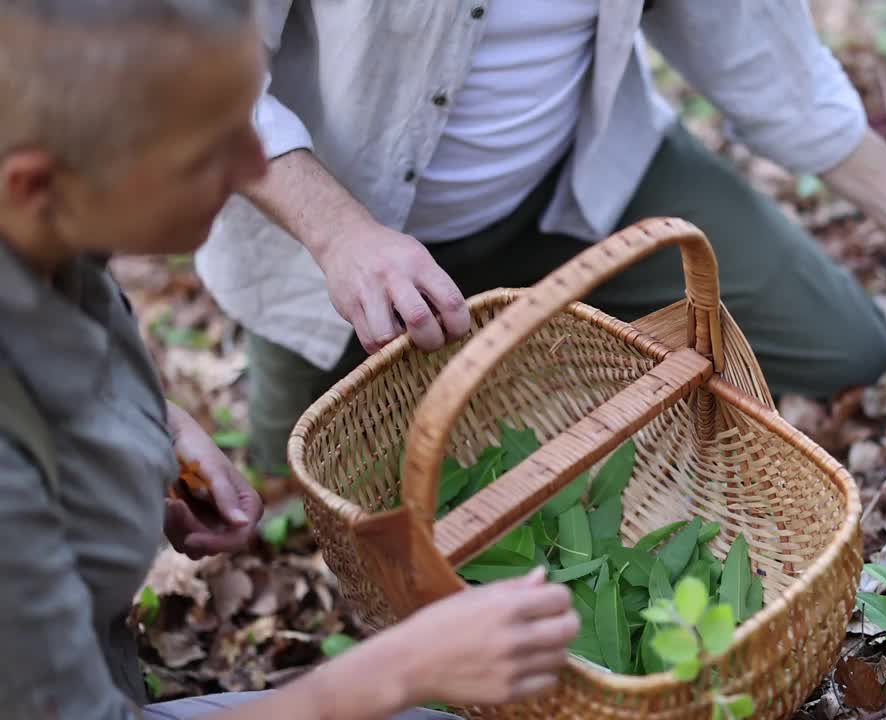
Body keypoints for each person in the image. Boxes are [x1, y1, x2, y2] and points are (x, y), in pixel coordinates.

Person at [0, 2, 579, 719]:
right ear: (34, 186)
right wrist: (399, 671)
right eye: (207, 150)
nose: (256, 166)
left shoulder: (49, 231)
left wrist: (156, 429)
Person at [194, 1, 886, 475]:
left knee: (848, 345)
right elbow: (197, 70)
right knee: (297, 474)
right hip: (336, 242)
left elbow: (759, 55)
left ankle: (549, 360)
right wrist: (342, 237)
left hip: (579, 183)